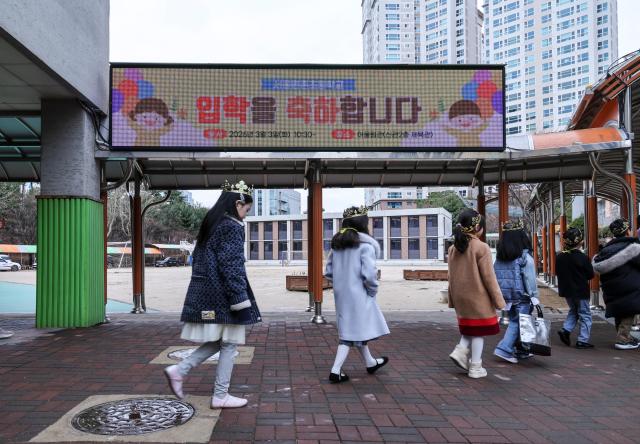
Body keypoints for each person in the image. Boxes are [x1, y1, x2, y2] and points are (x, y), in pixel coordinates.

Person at [164, 180, 261, 408]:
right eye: (246, 210)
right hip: (225, 296)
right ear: (238, 204)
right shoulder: (231, 227)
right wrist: (239, 299)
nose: (245, 216)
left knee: (222, 341)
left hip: (209, 292)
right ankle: (220, 395)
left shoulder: (211, 223)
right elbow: (232, 266)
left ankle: (179, 370)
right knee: (229, 343)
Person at [324, 206, 390, 383]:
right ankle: (335, 370)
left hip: (341, 294)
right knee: (348, 335)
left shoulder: (337, 245)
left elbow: (328, 272)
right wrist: (372, 291)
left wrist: (341, 282)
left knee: (354, 329)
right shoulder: (365, 246)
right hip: (359, 294)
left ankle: (370, 362)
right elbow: (370, 275)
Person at [448, 208, 505, 378]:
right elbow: (489, 278)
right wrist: (499, 301)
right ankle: (475, 367)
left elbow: (450, 277)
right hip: (478, 297)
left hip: (461, 298)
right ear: (478, 227)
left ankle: (460, 351)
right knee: (479, 332)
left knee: (470, 328)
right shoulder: (481, 247)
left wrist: (452, 300)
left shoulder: (453, 248)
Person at [493, 220, 539, 363]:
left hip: (507, 296)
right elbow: (530, 280)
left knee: (519, 320)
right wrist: (534, 297)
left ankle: (522, 349)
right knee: (517, 322)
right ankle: (504, 349)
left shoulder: (500, 256)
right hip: (523, 296)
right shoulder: (525, 257)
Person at [593, 218, 640, 350]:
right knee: (628, 312)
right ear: (627, 231)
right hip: (629, 287)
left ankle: (625, 337)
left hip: (611, 288)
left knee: (620, 312)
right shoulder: (633, 248)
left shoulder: (606, 250)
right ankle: (623, 339)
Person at [556, 228, 595, 349]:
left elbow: (558, 272)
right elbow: (590, 275)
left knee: (574, 310)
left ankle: (566, 330)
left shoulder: (560, 257)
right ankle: (582, 340)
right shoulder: (583, 258)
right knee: (585, 315)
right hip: (581, 291)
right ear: (580, 242)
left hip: (567, 291)